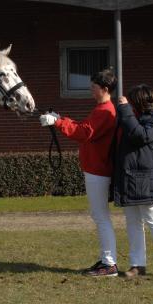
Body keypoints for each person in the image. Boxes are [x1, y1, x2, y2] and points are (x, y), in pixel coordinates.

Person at [39, 69, 118, 277]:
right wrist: (60, 119)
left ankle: (109, 263)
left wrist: (57, 122)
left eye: (94, 87)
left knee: (100, 217)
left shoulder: (104, 111)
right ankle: (106, 260)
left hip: (97, 169)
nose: (91, 90)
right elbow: (85, 127)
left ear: (105, 89)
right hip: (97, 168)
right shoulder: (103, 109)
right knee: (100, 216)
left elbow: (83, 132)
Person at [113, 84, 153, 279]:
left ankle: (138, 265)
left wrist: (125, 111)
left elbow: (140, 136)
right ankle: (137, 264)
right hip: (132, 179)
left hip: (146, 180)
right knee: (133, 222)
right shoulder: (142, 118)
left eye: (133, 102)